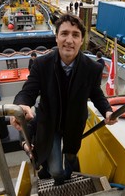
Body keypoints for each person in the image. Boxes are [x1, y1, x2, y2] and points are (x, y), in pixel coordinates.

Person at [10, 14, 118, 186]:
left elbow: (96, 92)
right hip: (50, 123)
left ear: (82, 40)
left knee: (71, 154)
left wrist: (107, 110)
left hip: (74, 124)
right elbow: (28, 91)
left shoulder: (93, 68)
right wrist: (21, 105)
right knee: (55, 169)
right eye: (64, 33)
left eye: (75, 35)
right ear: (56, 37)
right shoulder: (41, 64)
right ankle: (60, 180)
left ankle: (69, 172)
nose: (69, 40)